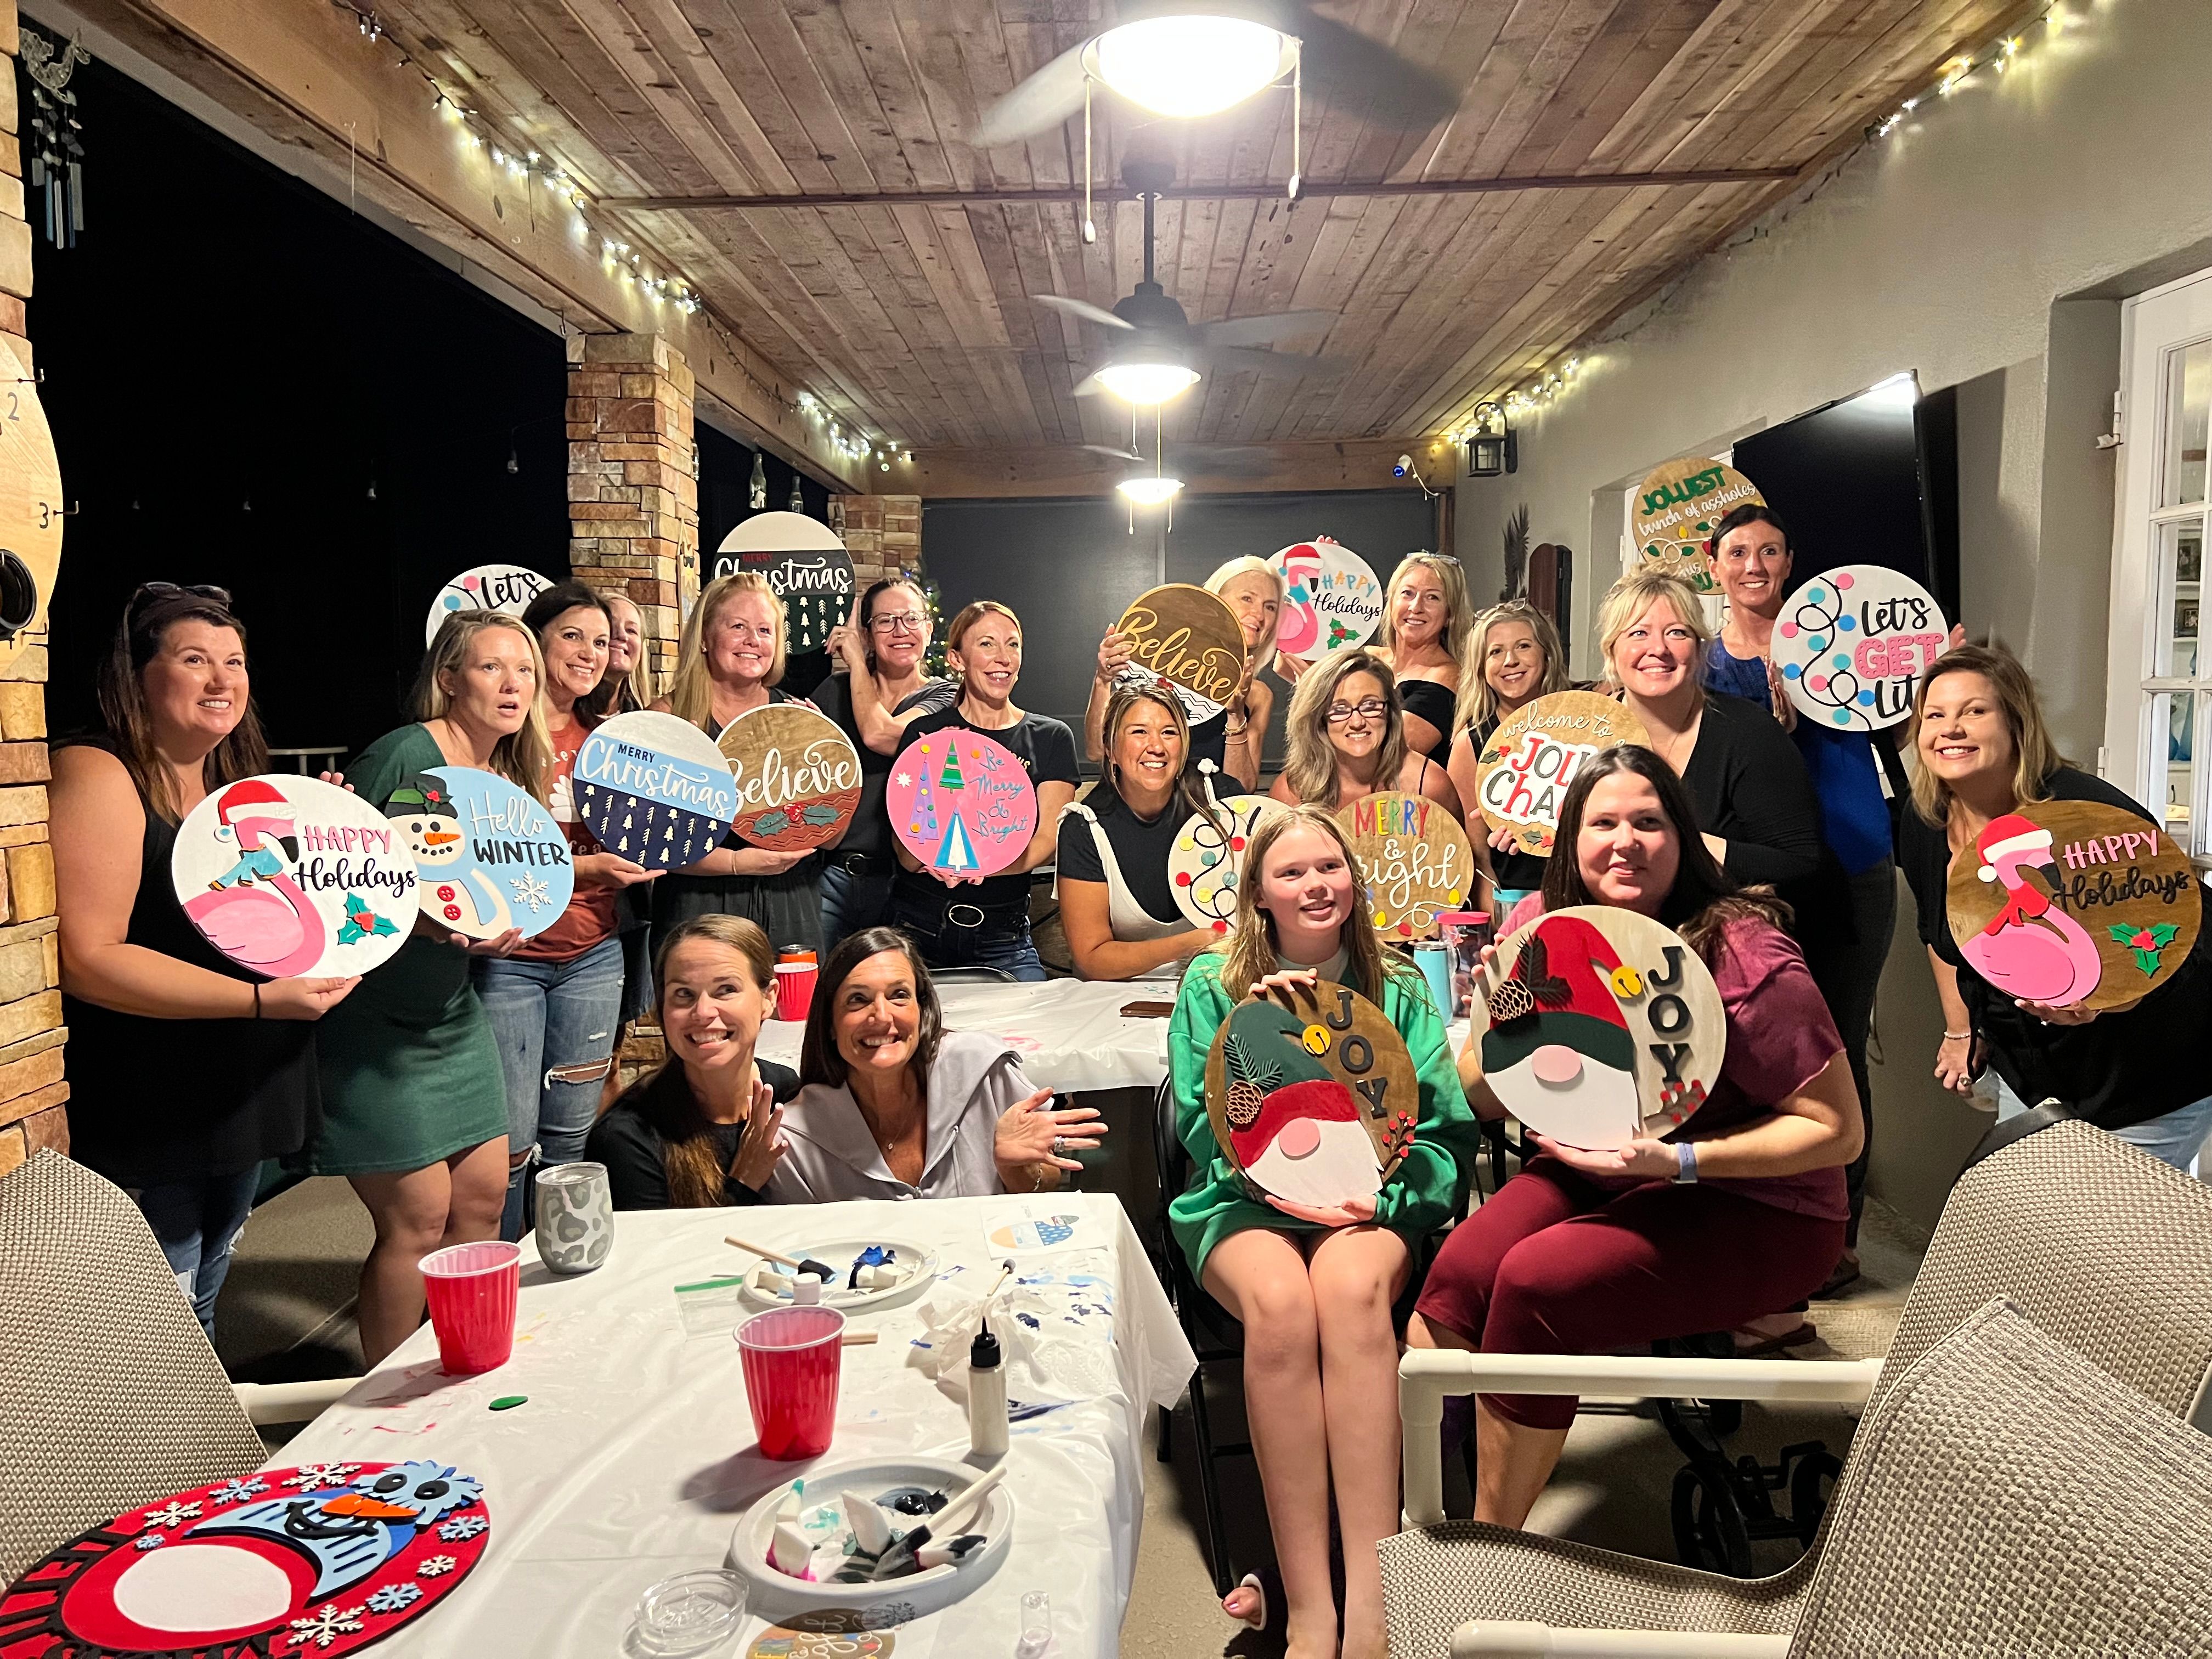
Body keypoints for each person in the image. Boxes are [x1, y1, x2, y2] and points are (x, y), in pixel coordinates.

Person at [1408, 747, 1862, 1530]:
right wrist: (1500, 1035)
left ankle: (1488, 1541)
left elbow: (1837, 1131)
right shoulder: (1538, 931)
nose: (1626, 841)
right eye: (1604, 821)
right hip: (1600, 1171)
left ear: (1683, 837)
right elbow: (1480, 1098)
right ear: (1569, 840)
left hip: (1761, 1204)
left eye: (1648, 822)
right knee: (1458, 1277)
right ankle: (1415, 1512)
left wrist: (1682, 1159)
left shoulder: (1745, 954)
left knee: (1537, 1283)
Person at [1168, 805, 1479, 1658]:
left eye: (1330, 869)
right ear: (1258, 894)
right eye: (1293, 873)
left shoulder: (1403, 987)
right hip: (1244, 1202)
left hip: (1372, 1201)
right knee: (1279, 1308)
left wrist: (1387, 1200)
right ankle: (1309, 1606)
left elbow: (1447, 1133)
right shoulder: (1212, 986)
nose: (1316, 886)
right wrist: (1256, 1043)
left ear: (1355, 881)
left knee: (1345, 1293)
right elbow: (1204, 1126)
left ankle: (1377, 1605)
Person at [53, 584, 356, 1335]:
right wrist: (259, 1002)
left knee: (203, 1303)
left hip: (241, 1091)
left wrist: (329, 839)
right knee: (156, 1330)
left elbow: (274, 926)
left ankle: (206, 1453)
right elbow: (89, 958)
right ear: (138, 675)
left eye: (235, 661)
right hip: (155, 1104)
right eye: (195, 660)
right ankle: (163, 1454)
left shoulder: (236, 784)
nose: (223, 680)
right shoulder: (100, 772)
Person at [1702, 506, 1939, 1286]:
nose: (1755, 564)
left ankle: (1836, 1240)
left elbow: (1897, 737)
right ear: (1716, 566)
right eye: (1738, 551)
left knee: (1836, 1051)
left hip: (1852, 866)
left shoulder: (1840, 645)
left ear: (1792, 561)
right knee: (1746, 1051)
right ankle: (1754, 1229)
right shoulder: (1700, 663)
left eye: (1770, 550)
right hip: (1751, 882)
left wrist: (1930, 678)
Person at [311, 611, 543, 1364]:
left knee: (480, 1200)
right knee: (416, 1215)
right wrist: (433, 928)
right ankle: (383, 1398)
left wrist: (502, 923)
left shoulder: (501, 777)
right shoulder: (403, 755)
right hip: (374, 1018)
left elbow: (488, 890)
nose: (513, 685)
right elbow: (342, 889)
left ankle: (461, 1365)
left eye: (525, 671)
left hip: (450, 1009)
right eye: (491, 668)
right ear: (447, 679)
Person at [1904, 645, 2212, 1171]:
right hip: (2032, 1082)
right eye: (1935, 715)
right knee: (2037, 1238)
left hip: (2144, 1082)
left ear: (2017, 723)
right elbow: (1942, 938)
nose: (1950, 728)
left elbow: (2187, 942)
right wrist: (1961, 1030)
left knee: (2112, 1245)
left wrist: (2111, 1001)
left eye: (1974, 711)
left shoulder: (2088, 817)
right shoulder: (1928, 822)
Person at [476, 583, 660, 1239]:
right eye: (573, 637)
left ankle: (561, 1270)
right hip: (510, 959)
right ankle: (503, 1280)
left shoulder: (610, 745)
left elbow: (643, 836)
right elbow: (485, 857)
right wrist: (589, 867)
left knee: (570, 1138)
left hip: (593, 953)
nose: (590, 652)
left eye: (602, 641)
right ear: (537, 641)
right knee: (509, 1146)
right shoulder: (494, 743)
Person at [771, 927, 1105, 1200]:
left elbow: (1044, 1186)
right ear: (830, 1023)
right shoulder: (796, 1137)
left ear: (922, 1009)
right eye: (858, 999)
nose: (882, 1016)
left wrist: (1016, 1169)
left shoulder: (981, 1070)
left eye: (899, 995)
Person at [870, 601, 1078, 980]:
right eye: (987, 644)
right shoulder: (925, 738)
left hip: (1004, 937)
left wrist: (982, 867)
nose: (1003, 658)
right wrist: (930, 770)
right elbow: (906, 854)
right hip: (916, 930)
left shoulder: (1050, 738)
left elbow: (1047, 838)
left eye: (1012, 645)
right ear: (957, 659)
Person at [1601, 569, 1823, 915]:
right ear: (1612, 651)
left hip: (1727, 942)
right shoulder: (1584, 736)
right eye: (1638, 633)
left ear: (1700, 649)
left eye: (1677, 633)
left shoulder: (1749, 733)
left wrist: (1680, 843)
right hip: (1614, 939)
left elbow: (1802, 865)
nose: (1658, 649)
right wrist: (1527, 838)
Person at [650, 573, 832, 962]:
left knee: (793, 1019)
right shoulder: (668, 718)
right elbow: (653, 838)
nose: (753, 640)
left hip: (790, 900)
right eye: (738, 627)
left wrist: (830, 758)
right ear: (704, 637)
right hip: (697, 906)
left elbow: (830, 830)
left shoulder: (796, 717)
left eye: (765, 630)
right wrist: (734, 863)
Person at [588, 914, 802, 1209]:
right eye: (683, 994)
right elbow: (669, 1256)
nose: (703, 1012)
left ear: (769, 998)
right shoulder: (625, 1138)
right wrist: (743, 1183)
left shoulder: (788, 1091)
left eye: (726, 990)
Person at [819, 577, 957, 948]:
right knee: (820, 992)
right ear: (867, 635)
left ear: (929, 630)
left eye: (911, 619)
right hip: (830, 876)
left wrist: (855, 666)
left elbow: (883, 736)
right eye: (885, 621)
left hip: (908, 881)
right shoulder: (833, 692)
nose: (900, 631)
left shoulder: (946, 696)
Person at [1057, 684, 1221, 980]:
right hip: (1117, 998)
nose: (1157, 746)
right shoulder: (1083, 829)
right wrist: (1192, 943)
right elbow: (1092, 957)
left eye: (1170, 733)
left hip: (1213, 985)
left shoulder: (1218, 801)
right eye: (1139, 732)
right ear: (1111, 749)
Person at [1084, 557, 1285, 792]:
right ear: (1216, 600)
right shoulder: (1150, 664)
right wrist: (1103, 680)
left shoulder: (1259, 696)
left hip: (1204, 821)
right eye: (1247, 598)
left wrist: (1236, 713)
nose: (1259, 615)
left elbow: (1242, 788)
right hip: (1135, 811)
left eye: (1270, 606)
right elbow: (1096, 751)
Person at [1446, 601, 1572, 917]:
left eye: (1524, 646)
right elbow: (1478, 860)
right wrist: (1499, 930)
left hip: (1585, 895)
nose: (1511, 661)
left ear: (1547, 654)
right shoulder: (1470, 745)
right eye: (1496, 652)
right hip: (1515, 903)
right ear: (1481, 668)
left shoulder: (1583, 725)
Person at [1269, 648, 1461, 820]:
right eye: (1339, 709)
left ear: (1390, 712)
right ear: (1318, 717)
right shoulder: (1291, 791)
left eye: (1370, 706)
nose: (1357, 722)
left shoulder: (1429, 785)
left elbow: (1460, 857)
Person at [1376, 552, 1474, 760]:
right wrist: (1329, 569)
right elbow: (1297, 664)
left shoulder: (1448, 678)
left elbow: (1386, 755)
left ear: (1450, 615)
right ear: (1391, 601)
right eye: (1407, 594)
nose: (1416, 607)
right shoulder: (1369, 658)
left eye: (1432, 597)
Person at [584, 589, 651, 720]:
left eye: (631, 630)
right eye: (610, 625)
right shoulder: (563, 717)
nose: (622, 635)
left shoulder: (643, 722)